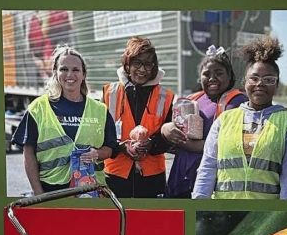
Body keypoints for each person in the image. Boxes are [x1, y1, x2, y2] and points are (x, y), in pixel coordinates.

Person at [192, 36, 287, 199]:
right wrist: (199, 205)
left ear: (277, 84)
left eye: (268, 79)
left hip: (265, 213)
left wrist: (286, 211)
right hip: (222, 211)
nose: (260, 84)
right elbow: (208, 167)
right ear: (245, 82)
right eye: (254, 78)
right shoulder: (224, 120)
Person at [12, 45, 117, 194]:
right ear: (55, 72)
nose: (70, 74)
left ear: (83, 74)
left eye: (75, 70)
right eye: (64, 69)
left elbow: (111, 148)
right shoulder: (38, 108)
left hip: (91, 190)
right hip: (51, 190)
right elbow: (29, 153)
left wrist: (97, 154)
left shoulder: (100, 110)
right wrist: (38, 193)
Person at [162, 46, 247, 198]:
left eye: (219, 73)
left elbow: (221, 145)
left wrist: (181, 142)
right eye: (206, 74)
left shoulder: (237, 102)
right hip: (180, 177)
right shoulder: (193, 99)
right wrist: (166, 129)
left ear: (230, 76)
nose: (212, 78)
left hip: (208, 182)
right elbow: (171, 130)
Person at [103, 36, 175, 198]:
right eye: (137, 63)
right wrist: (121, 147)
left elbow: (169, 139)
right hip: (116, 176)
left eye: (148, 64)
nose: (142, 69)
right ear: (127, 65)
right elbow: (100, 135)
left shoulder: (166, 96)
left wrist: (151, 144)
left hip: (152, 178)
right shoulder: (109, 93)